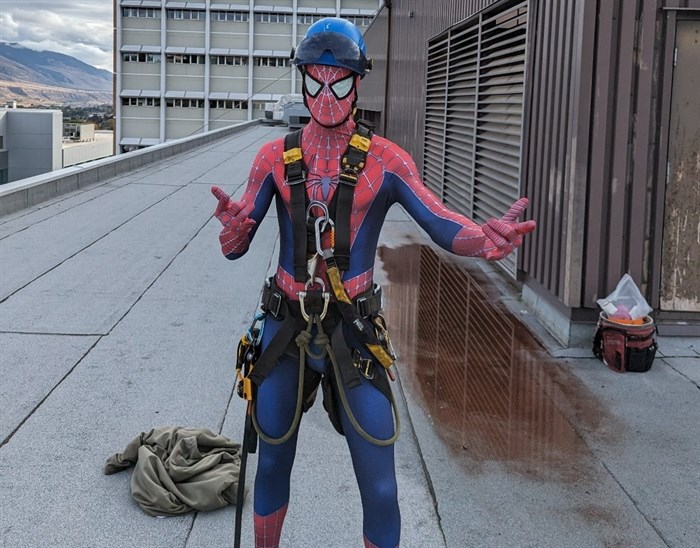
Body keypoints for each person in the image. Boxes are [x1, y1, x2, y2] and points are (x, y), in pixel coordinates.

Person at [211, 17, 536, 548]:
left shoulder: (387, 161)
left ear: (358, 83)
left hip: (353, 330)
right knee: (270, 464)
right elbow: (236, 243)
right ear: (301, 81)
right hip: (283, 328)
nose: (326, 94)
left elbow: (439, 220)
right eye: (315, 81)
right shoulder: (272, 158)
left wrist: (485, 239)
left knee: (381, 487)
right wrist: (234, 230)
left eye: (338, 81)